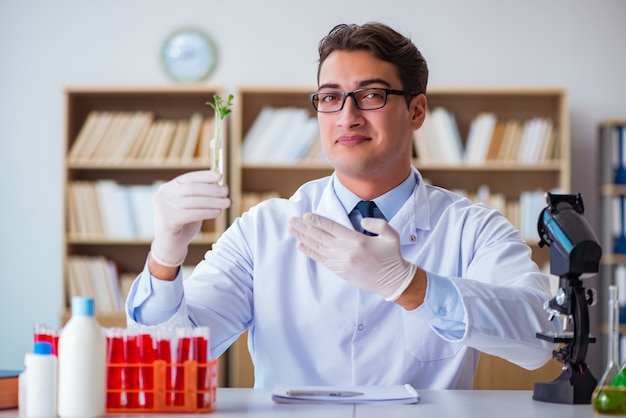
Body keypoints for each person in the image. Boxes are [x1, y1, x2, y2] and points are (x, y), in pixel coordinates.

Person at [127, 21, 558, 389]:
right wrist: (165, 257)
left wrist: (410, 286)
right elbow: (168, 363)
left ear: (417, 111)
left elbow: (541, 337)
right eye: (330, 98)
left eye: (370, 95)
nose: (347, 116)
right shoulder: (262, 230)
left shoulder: (473, 229)